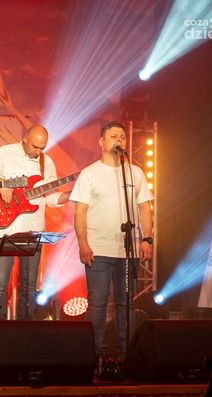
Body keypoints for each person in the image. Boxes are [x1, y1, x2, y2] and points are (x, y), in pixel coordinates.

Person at [70, 121, 153, 371]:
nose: (119, 140)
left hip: (128, 250)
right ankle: (95, 354)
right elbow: (80, 212)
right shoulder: (89, 173)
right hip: (98, 249)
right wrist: (83, 243)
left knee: (126, 303)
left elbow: (145, 208)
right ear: (101, 141)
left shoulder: (134, 173)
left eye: (123, 137)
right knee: (97, 302)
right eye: (114, 136)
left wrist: (147, 238)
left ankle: (125, 354)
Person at [0, 125, 70, 320]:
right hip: (4, 230)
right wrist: (0, 187)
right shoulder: (3, 154)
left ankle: (24, 330)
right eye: (35, 146)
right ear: (25, 138)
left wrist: (69, 195)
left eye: (42, 148)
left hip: (33, 231)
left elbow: (50, 198)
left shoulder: (46, 162)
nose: (38, 152)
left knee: (29, 287)